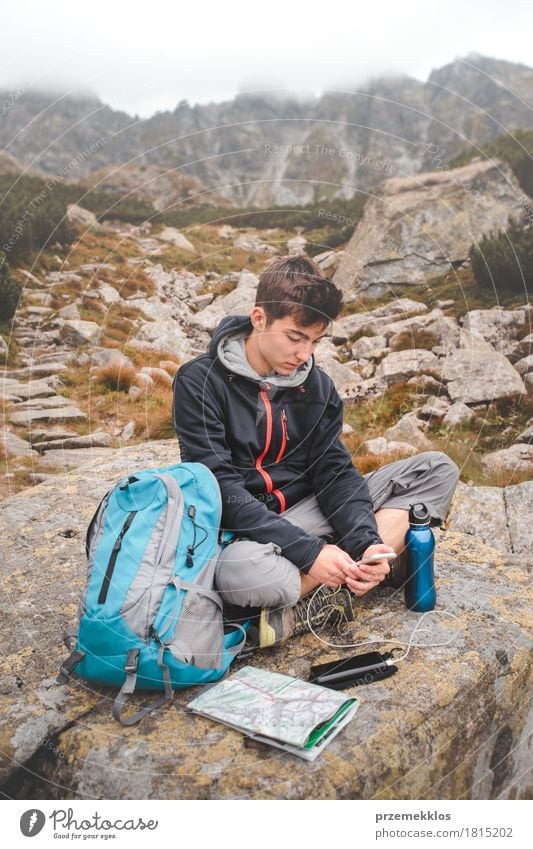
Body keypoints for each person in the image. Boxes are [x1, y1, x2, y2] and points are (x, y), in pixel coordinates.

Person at [172, 255, 459, 648]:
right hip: (246, 534)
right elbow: (220, 489)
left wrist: (363, 540)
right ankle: (341, 573)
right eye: (294, 337)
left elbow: (335, 472)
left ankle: (333, 581)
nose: (304, 353)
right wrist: (309, 553)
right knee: (245, 575)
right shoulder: (199, 381)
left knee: (437, 469)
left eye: (314, 341)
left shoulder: (317, 388)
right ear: (259, 319)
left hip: (312, 511)